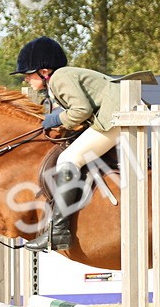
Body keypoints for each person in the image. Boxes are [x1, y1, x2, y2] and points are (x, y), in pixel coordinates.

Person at [10, 36, 122, 252]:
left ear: (44, 71)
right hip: (115, 115)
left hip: (116, 119)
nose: (25, 79)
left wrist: (53, 120)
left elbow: (81, 111)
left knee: (69, 158)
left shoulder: (59, 77)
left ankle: (58, 231)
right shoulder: (62, 78)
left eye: (28, 74)